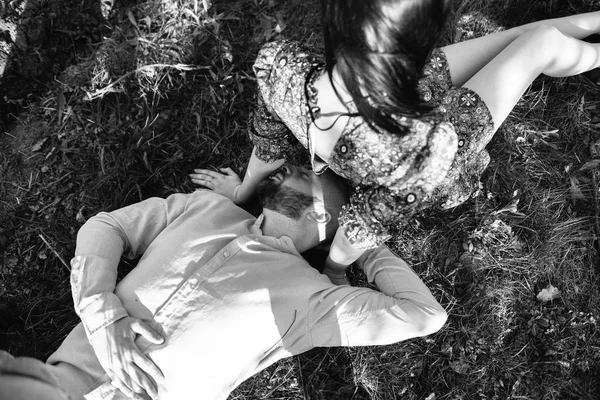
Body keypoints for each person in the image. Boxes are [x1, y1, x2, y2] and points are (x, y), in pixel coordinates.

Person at [189, 1, 600, 284]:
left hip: (401, 95)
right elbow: (362, 226)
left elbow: (269, 139)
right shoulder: (423, 150)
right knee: (538, 45)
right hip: (444, 140)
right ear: (411, 47)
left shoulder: (283, 68)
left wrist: (243, 190)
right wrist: (333, 270)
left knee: (519, 37)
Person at [0, 163, 447, 400]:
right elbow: (104, 227)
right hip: (40, 385)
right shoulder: (206, 207)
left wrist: (362, 241)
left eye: (307, 175)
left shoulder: (314, 300)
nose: (287, 168)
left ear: (324, 214)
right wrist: (101, 315)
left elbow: (424, 315)